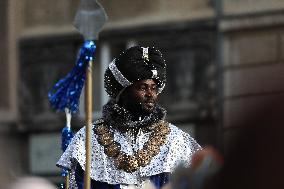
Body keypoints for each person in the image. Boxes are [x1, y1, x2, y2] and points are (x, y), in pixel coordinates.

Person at [57, 46, 201, 189]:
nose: (150, 94)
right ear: (124, 92)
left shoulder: (176, 140)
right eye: (143, 88)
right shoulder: (88, 139)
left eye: (154, 88)